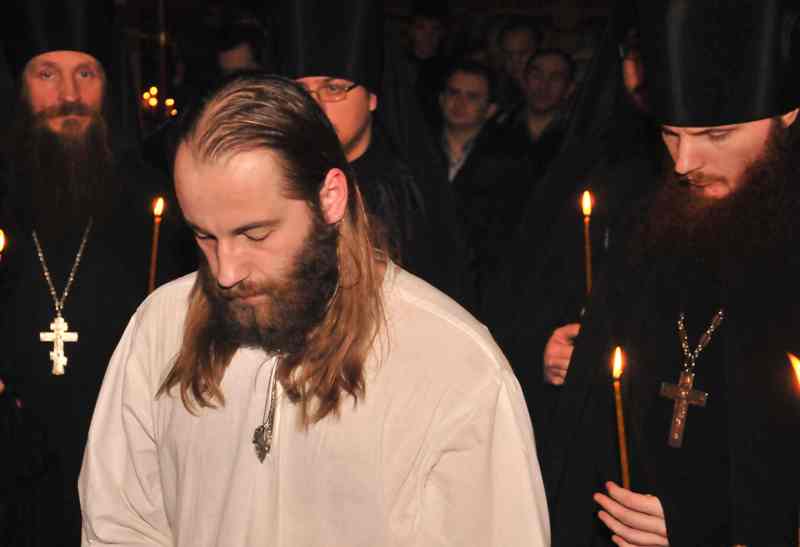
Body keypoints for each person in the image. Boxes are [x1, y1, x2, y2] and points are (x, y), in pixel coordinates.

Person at [78, 73, 550, 547]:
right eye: (204, 236)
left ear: (330, 198)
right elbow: (118, 524)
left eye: (255, 234)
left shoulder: (454, 363)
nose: (225, 271)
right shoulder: (163, 323)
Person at [541, 1, 800, 544]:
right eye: (670, 134)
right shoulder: (657, 220)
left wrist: (713, 525)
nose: (684, 163)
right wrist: (581, 361)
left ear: (788, 114)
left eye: (716, 135)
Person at [0, 1, 191, 545]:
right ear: (19, 86)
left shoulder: (157, 204)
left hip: (124, 467)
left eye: (85, 73)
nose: (69, 95)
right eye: (47, 74)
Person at [277, 0, 466, 302]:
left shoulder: (407, 192)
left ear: (372, 98)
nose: (315, 105)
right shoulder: (274, 179)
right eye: (301, 91)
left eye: (334, 89)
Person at [438, 60, 533, 315]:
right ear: (441, 98)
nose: (459, 103)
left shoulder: (511, 160)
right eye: (453, 93)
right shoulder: (416, 152)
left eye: (472, 97)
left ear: (490, 109)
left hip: (482, 288)